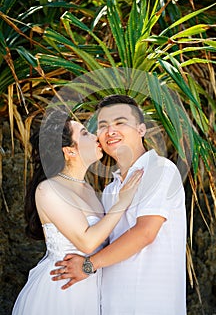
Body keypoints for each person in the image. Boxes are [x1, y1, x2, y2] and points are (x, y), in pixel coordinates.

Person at [51, 95, 187, 314]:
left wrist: (88, 265)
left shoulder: (159, 170)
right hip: (111, 305)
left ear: (141, 129)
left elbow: (145, 233)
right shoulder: (110, 190)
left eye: (120, 122)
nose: (110, 131)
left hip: (151, 304)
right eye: (103, 126)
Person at [12, 109, 143, 315]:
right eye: (84, 134)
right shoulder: (48, 190)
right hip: (63, 289)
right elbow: (88, 242)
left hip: (91, 287)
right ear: (69, 151)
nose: (94, 136)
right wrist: (123, 201)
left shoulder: (89, 189)